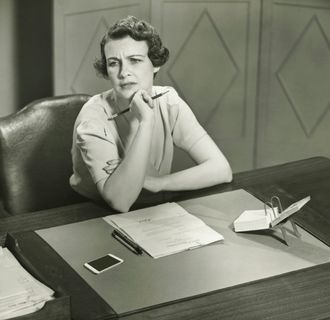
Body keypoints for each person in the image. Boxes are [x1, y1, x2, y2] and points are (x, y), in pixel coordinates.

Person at [70, 16, 232, 213]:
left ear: (155, 63)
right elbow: (120, 201)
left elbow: (221, 170)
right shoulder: (92, 120)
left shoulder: (167, 100)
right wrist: (146, 122)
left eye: (135, 61)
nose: (123, 73)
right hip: (90, 215)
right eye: (114, 63)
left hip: (152, 208)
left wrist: (160, 183)